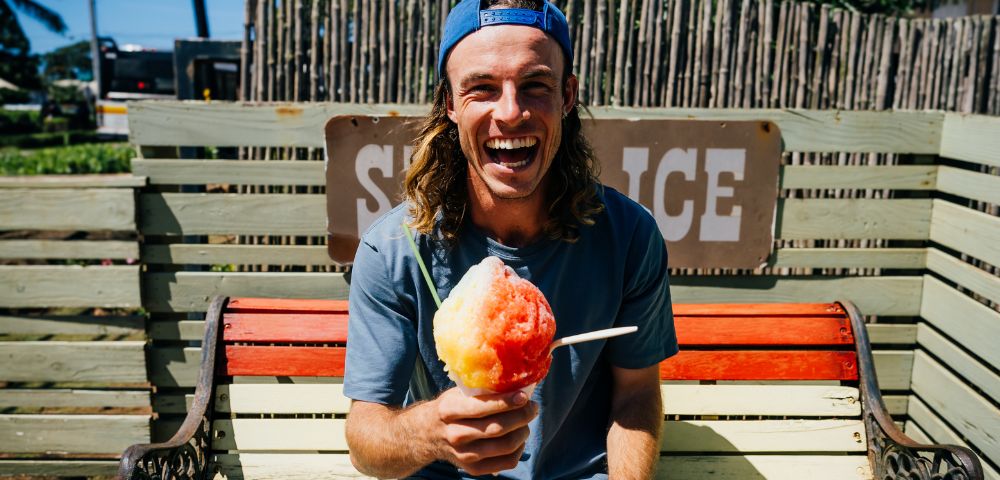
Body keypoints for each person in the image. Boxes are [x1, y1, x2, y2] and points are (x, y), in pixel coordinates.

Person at [343, 0, 678, 478]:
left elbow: (637, 394)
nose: (511, 112)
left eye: (534, 85)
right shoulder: (396, 249)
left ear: (567, 96)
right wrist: (431, 432)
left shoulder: (628, 236)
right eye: (481, 88)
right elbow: (365, 439)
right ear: (449, 105)